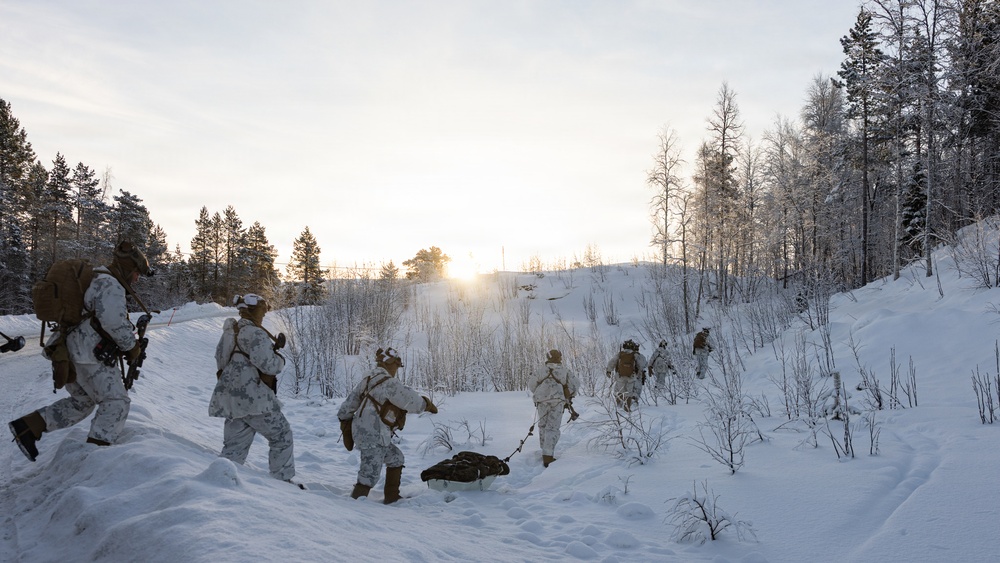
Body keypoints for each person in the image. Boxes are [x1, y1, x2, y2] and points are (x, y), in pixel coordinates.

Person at [9, 241, 152, 461]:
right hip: (89, 354)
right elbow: (113, 321)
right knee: (116, 402)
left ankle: (29, 426)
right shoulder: (110, 284)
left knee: (82, 401)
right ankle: (97, 459)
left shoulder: (95, 278)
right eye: (136, 273)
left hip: (70, 349)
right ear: (127, 269)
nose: (136, 279)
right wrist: (131, 347)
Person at [209, 293, 298, 486]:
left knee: (233, 449)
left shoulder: (230, 332)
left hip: (232, 401)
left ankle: (221, 483)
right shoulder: (257, 334)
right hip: (255, 401)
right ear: (254, 311)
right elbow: (270, 366)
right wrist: (280, 359)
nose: (264, 315)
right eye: (262, 311)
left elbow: (220, 360)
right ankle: (282, 482)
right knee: (282, 435)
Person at [337, 347, 438, 504]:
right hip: (374, 434)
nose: (396, 370)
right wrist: (427, 404)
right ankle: (353, 507)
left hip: (371, 433)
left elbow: (346, 407)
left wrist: (346, 426)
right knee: (369, 475)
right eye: (396, 366)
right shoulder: (389, 384)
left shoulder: (367, 381)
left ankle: (392, 497)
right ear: (389, 364)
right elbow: (411, 401)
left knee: (396, 458)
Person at [528, 349, 579, 468]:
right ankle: (548, 455)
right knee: (552, 428)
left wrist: (541, 394)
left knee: (543, 425)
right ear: (559, 358)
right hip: (557, 402)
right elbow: (575, 384)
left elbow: (532, 385)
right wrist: (568, 394)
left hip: (541, 401)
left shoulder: (541, 370)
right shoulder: (565, 371)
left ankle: (544, 450)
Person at [605, 339, 647, 411]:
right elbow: (643, 365)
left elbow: (612, 362)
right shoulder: (635, 354)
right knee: (629, 392)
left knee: (620, 391)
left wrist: (609, 370)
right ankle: (627, 408)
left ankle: (619, 406)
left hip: (620, 376)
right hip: (631, 377)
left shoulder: (620, 354)